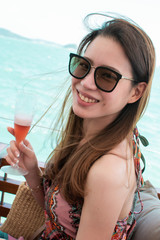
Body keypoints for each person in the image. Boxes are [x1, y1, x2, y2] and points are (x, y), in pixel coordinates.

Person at [2, 13, 156, 240]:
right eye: (84, 65)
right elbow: (60, 219)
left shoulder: (107, 172)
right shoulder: (94, 136)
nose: (85, 82)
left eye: (106, 76)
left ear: (136, 92)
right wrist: (33, 172)